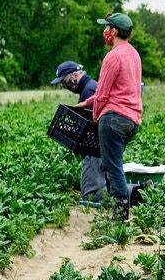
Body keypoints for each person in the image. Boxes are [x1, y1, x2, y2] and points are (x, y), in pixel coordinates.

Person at [76, 13, 143, 220]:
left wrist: (95, 116)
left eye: (106, 27)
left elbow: (103, 94)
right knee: (111, 163)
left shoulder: (112, 56)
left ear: (113, 31)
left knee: (113, 166)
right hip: (132, 120)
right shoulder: (134, 54)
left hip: (113, 118)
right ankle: (123, 200)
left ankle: (121, 214)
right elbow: (120, 89)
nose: (104, 31)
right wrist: (87, 102)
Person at [51, 61, 106, 206]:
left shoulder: (88, 91)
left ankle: (92, 202)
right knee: (108, 182)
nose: (65, 86)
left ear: (75, 75)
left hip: (96, 145)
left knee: (94, 190)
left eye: (65, 81)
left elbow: (88, 125)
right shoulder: (89, 87)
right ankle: (137, 191)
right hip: (103, 141)